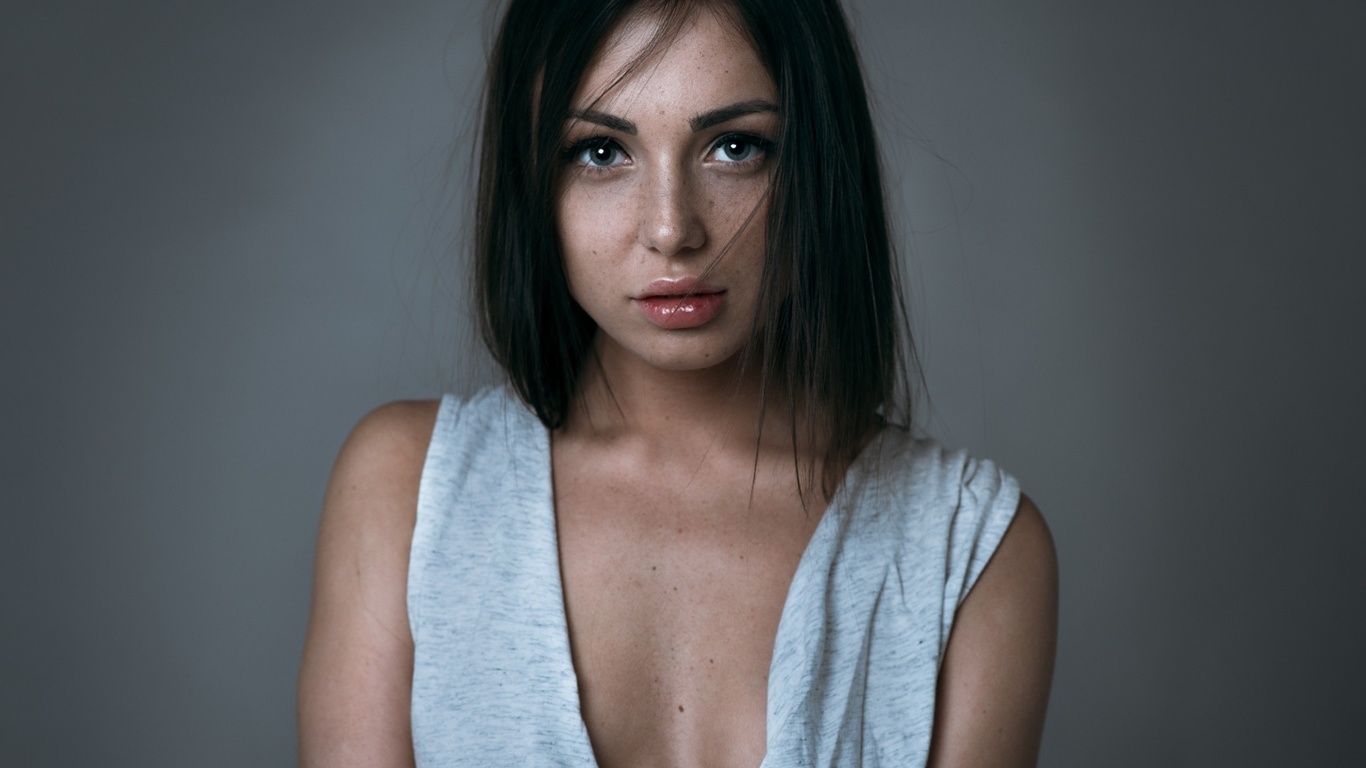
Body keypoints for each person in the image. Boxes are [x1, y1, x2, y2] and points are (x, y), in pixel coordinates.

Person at [298, 0, 1058, 765]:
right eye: (600, 152)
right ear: (532, 179)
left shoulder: (973, 551)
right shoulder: (407, 494)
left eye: (735, 147)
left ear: (819, 163)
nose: (671, 227)